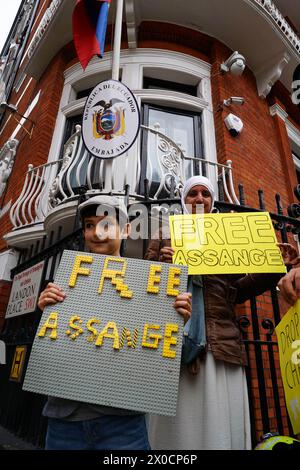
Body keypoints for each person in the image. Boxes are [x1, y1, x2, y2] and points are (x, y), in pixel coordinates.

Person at [145, 175, 293, 450]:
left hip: (222, 345)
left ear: (212, 202)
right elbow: (147, 287)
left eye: (205, 194)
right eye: (192, 194)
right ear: (184, 201)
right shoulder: (164, 233)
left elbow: (238, 291)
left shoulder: (229, 237)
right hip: (179, 347)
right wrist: (171, 267)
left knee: (221, 430)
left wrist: (274, 265)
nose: (199, 198)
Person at [38, 195, 192, 450]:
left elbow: (168, 358)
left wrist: (177, 321)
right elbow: (49, 353)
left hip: (123, 425)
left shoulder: (150, 286)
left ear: (126, 229)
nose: (96, 232)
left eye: (106, 224)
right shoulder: (66, 279)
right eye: (89, 225)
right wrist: (45, 313)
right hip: (63, 419)